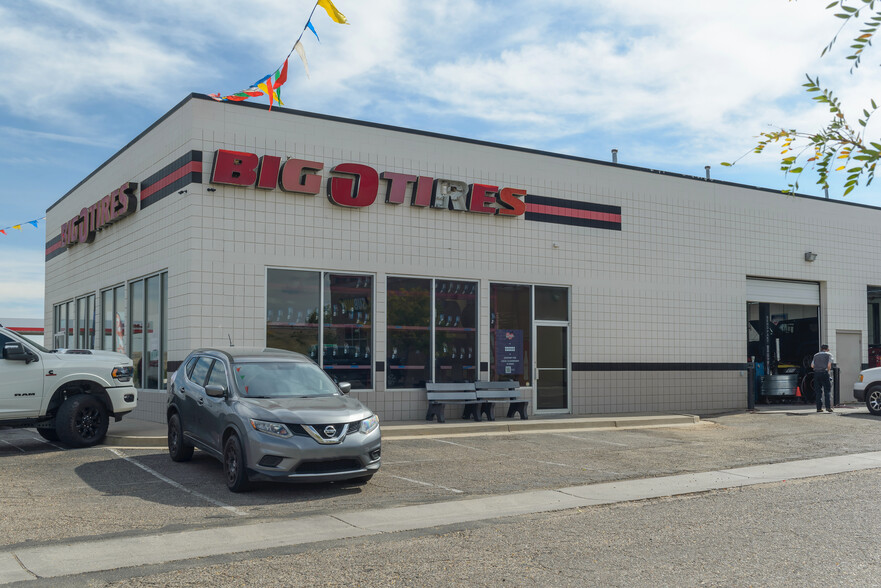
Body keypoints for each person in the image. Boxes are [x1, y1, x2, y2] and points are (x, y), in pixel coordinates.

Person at [811, 344, 834, 413]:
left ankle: (819, 408)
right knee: (827, 391)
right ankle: (828, 407)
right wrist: (828, 371)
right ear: (827, 349)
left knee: (818, 392)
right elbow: (829, 365)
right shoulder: (829, 355)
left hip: (816, 374)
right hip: (824, 373)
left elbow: (812, 366)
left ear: (821, 349)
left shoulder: (815, 355)